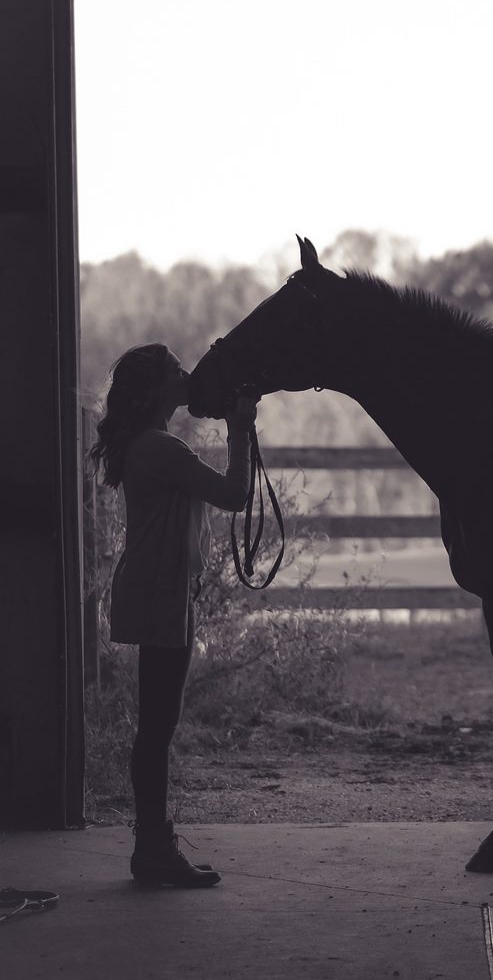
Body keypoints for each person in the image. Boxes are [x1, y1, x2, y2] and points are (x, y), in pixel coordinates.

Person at [88, 343, 257, 887]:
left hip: (158, 587)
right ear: (159, 388)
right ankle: (154, 852)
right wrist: (240, 428)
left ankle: (153, 847)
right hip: (161, 591)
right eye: (178, 371)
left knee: (156, 726)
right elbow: (235, 494)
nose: (188, 376)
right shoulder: (161, 448)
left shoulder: (148, 444)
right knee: (158, 728)